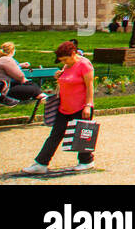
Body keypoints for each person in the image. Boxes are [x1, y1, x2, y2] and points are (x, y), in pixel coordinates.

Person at [22, 42, 95, 174]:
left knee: (82, 135)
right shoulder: (67, 64)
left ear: (73, 54)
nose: (64, 62)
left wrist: (88, 105)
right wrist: (59, 76)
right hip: (64, 106)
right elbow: (67, 79)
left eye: (65, 59)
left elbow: (89, 86)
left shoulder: (84, 64)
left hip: (80, 106)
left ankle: (86, 161)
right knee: (55, 135)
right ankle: (41, 163)